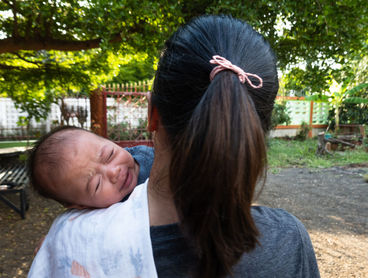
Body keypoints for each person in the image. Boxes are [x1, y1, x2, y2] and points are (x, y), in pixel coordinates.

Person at [29, 15, 320, 278]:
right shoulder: (288, 241)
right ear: (256, 128)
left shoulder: (73, 242)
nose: (115, 171)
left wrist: (63, 240)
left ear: (153, 114)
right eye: (94, 185)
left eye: (107, 154)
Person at [27, 126, 154, 209]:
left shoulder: (156, 157)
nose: (113, 172)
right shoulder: (92, 222)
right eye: (97, 184)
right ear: (81, 206)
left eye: (110, 155)